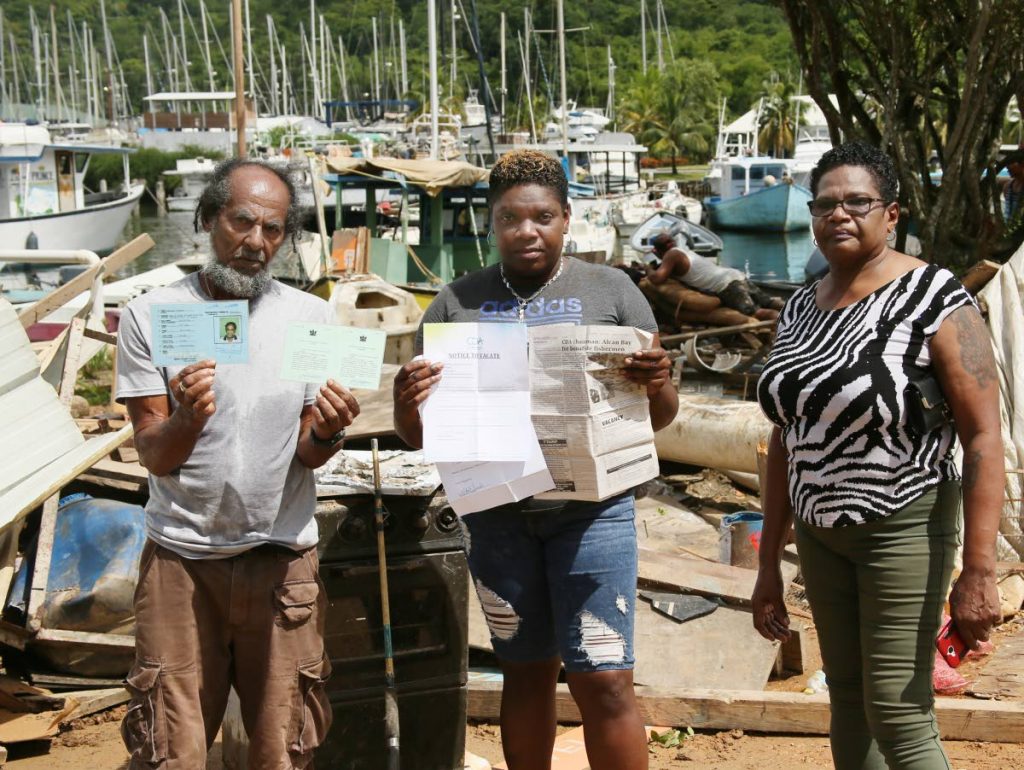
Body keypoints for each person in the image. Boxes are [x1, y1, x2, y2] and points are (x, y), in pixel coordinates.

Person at [393, 150, 678, 770]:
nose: (528, 231)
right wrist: (406, 403)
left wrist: (658, 381)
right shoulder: (453, 305)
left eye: (543, 217)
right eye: (510, 219)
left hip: (594, 516)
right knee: (524, 675)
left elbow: (660, 418)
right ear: (491, 223)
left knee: (604, 681)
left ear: (566, 217)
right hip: (496, 518)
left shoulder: (613, 291)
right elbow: (417, 437)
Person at [752, 141, 1003, 770]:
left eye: (857, 202)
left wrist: (977, 573)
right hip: (819, 532)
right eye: (826, 204)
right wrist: (767, 566)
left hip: (904, 524)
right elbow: (787, 437)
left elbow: (982, 437)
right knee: (849, 701)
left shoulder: (934, 296)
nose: (840, 215)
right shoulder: (802, 306)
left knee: (897, 709)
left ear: (892, 214)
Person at [116, 159, 359, 768]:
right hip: (181, 563)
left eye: (273, 229)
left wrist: (329, 433)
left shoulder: (312, 317)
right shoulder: (153, 314)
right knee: (173, 749)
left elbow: (310, 451)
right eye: (241, 222)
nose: (255, 243)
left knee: (283, 747)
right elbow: (152, 452)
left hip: (282, 559)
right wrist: (188, 417)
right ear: (207, 220)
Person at [646, 232, 784, 320]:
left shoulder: (671, 254)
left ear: (656, 250)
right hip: (735, 275)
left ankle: (785, 329)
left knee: (756, 312)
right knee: (769, 302)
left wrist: (647, 269)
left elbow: (658, 278)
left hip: (726, 286)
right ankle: (800, 313)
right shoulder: (684, 251)